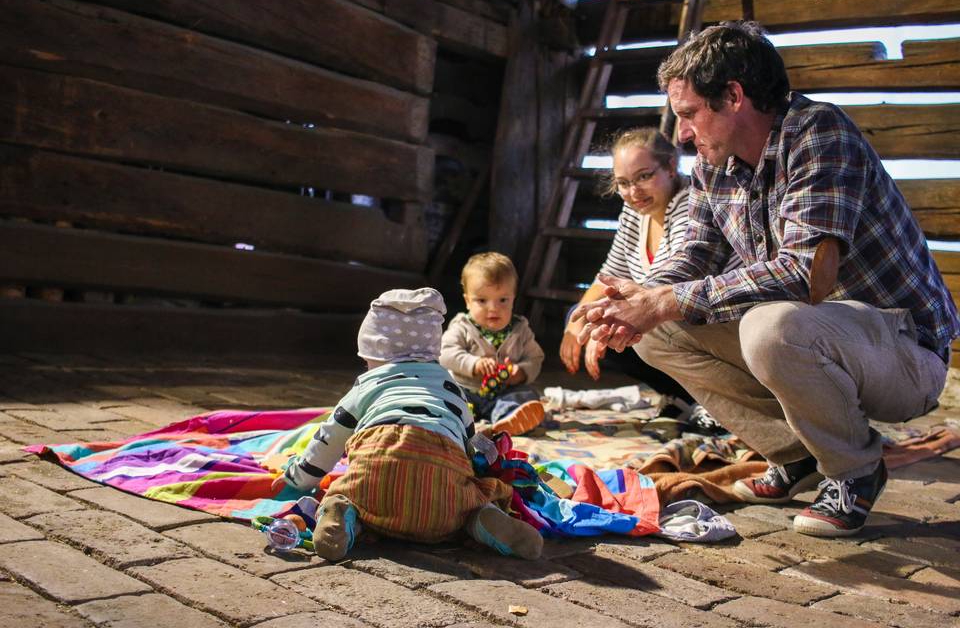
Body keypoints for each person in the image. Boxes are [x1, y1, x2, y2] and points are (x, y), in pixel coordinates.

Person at [573, 21, 959, 537]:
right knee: (658, 332)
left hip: (905, 354)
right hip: (819, 339)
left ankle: (855, 470)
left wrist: (666, 299)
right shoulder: (715, 166)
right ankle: (796, 453)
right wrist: (637, 301)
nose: (682, 133)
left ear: (733, 96)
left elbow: (808, 277)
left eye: (689, 114)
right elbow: (693, 255)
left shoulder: (819, 135)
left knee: (770, 327)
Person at [275, 288, 543, 561]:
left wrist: (297, 477)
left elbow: (328, 440)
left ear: (376, 354)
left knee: (353, 495)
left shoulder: (368, 384)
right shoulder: (451, 388)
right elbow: (470, 450)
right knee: (468, 503)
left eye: (366, 359)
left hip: (375, 479)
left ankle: (342, 515)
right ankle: (482, 518)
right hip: (442, 501)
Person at [559, 127, 738, 430]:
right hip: (657, 317)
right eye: (624, 183)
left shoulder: (688, 204)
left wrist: (604, 320)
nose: (634, 191)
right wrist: (575, 324)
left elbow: (675, 280)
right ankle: (680, 398)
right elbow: (610, 275)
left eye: (644, 177)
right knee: (581, 317)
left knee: (617, 323)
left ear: (670, 167)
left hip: (708, 319)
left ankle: (715, 403)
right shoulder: (633, 214)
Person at [440, 252, 546, 436]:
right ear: (467, 301)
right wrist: (474, 364)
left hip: (503, 393)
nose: (493, 308)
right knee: (445, 392)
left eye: (503, 300)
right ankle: (457, 417)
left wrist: (520, 372)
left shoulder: (520, 330)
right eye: (482, 300)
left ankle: (507, 418)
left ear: (513, 298)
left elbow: (535, 358)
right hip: (467, 390)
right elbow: (444, 353)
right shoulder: (462, 326)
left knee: (528, 394)